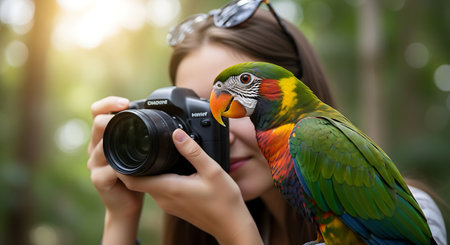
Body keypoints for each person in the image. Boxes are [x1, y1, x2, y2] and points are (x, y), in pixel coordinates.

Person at [87, 1, 447, 244]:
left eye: (245, 86)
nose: (221, 130)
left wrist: (237, 235)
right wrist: (120, 216)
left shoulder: (312, 136)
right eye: (197, 108)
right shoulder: (200, 228)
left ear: (293, 85)